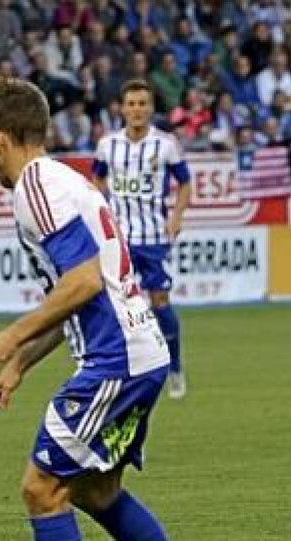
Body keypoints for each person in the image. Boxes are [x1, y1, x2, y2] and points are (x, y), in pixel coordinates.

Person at [0, 77, 219, 541]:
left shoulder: (36, 186)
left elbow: (81, 282)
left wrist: (10, 335)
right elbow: (78, 293)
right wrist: (20, 366)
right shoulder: (61, 181)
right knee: (95, 489)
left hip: (116, 361)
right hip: (136, 356)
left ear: (0, 137)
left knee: (40, 487)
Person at [92, 79, 192, 399]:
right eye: (131, 104)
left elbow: (185, 183)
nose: (136, 110)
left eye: (141, 104)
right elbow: (96, 179)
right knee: (118, 304)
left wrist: (176, 216)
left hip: (152, 236)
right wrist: (100, 209)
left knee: (159, 302)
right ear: (122, 109)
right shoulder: (108, 145)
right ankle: (123, 369)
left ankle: (175, 367)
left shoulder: (165, 144)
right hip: (118, 238)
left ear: (150, 108)